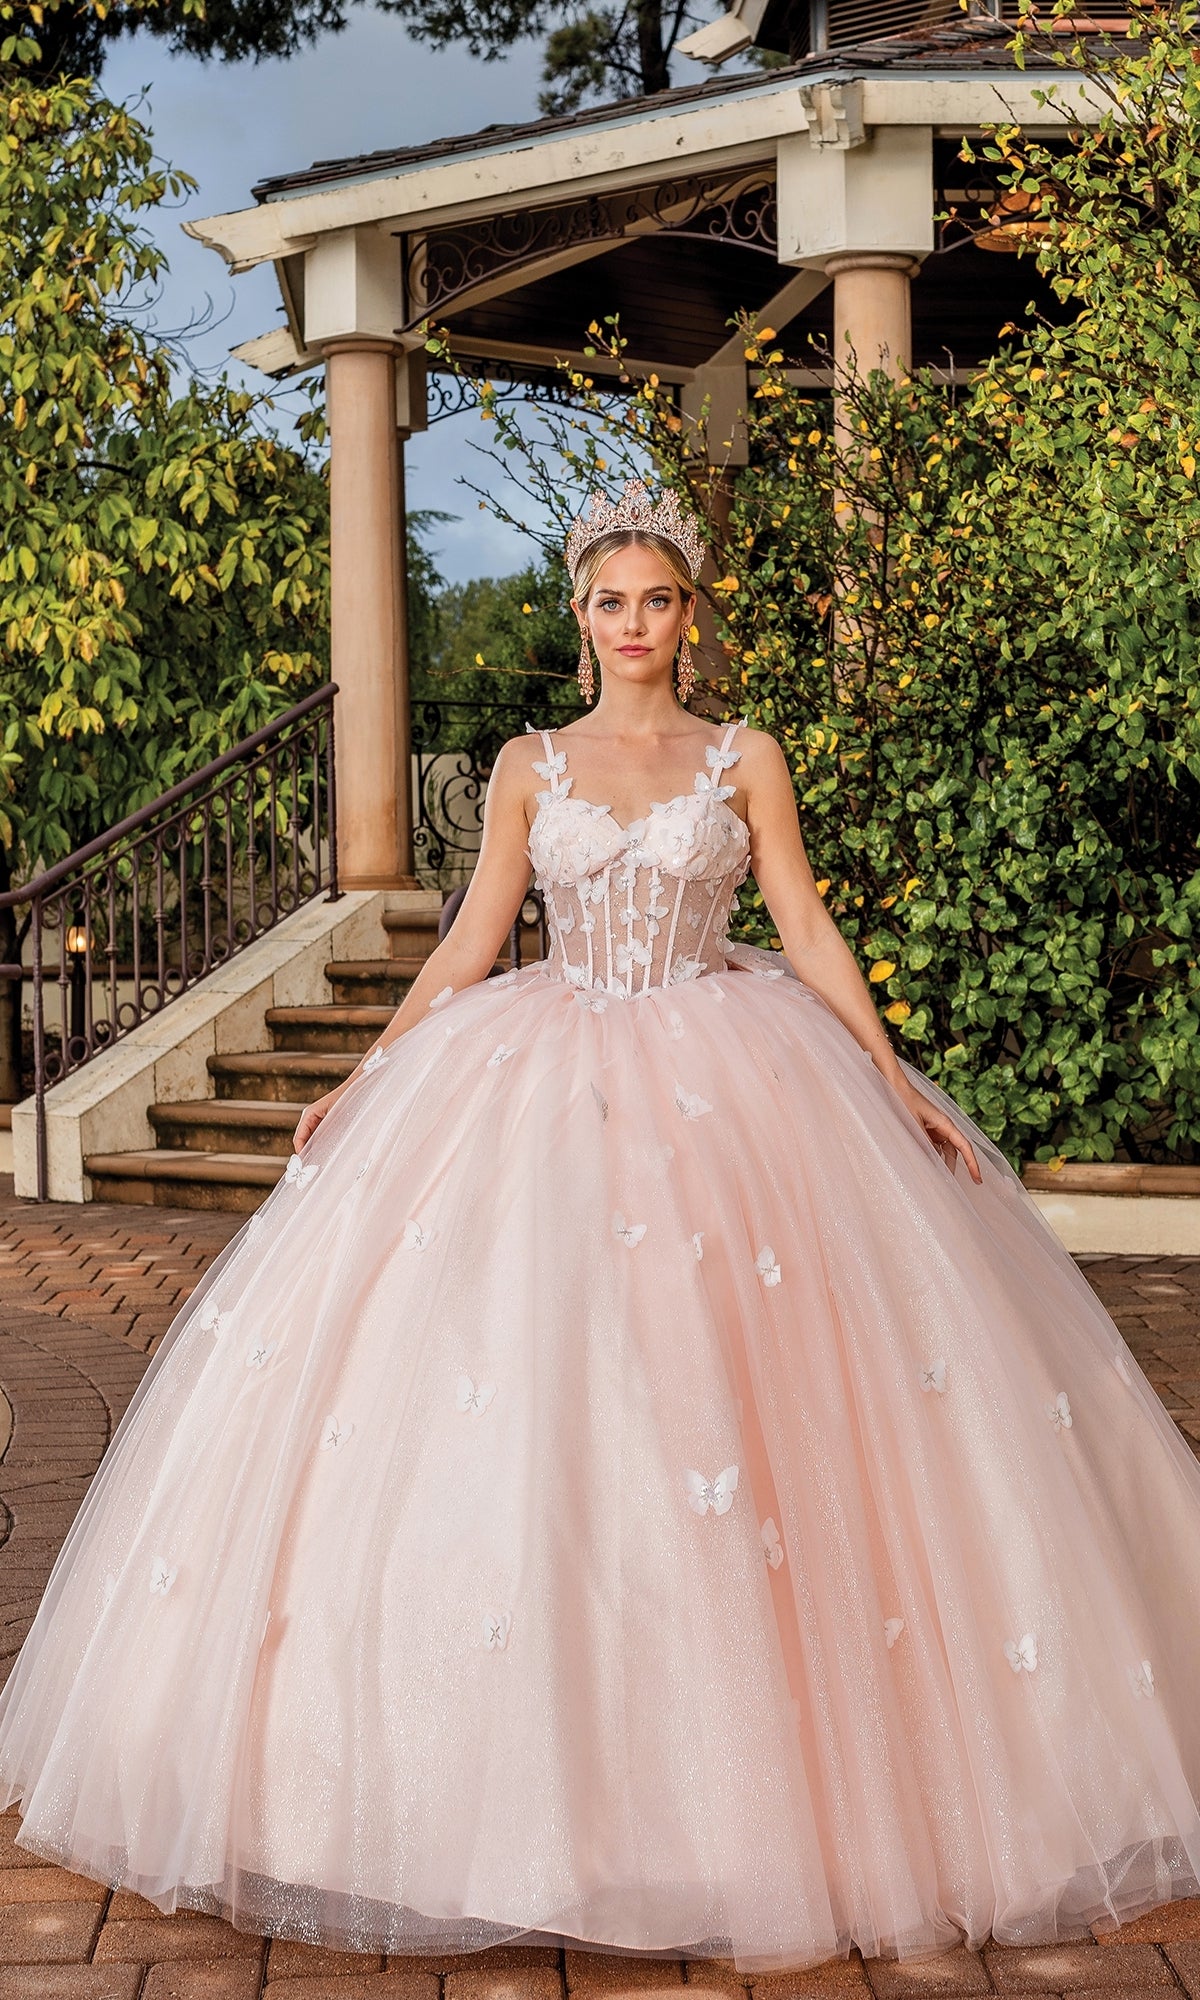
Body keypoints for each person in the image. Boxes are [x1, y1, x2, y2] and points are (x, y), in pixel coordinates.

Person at [1, 478, 1199, 1976]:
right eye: (609, 603)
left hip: (733, 1085)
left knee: (729, 1411)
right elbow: (472, 936)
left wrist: (891, 1086)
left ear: (691, 616)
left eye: (658, 600)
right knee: (531, 1404)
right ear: (580, 624)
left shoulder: (743, 759)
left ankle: (751, 1812)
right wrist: (368, 1080)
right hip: (540, 1088)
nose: (635, 625)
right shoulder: (529, 766)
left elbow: (807, 925)